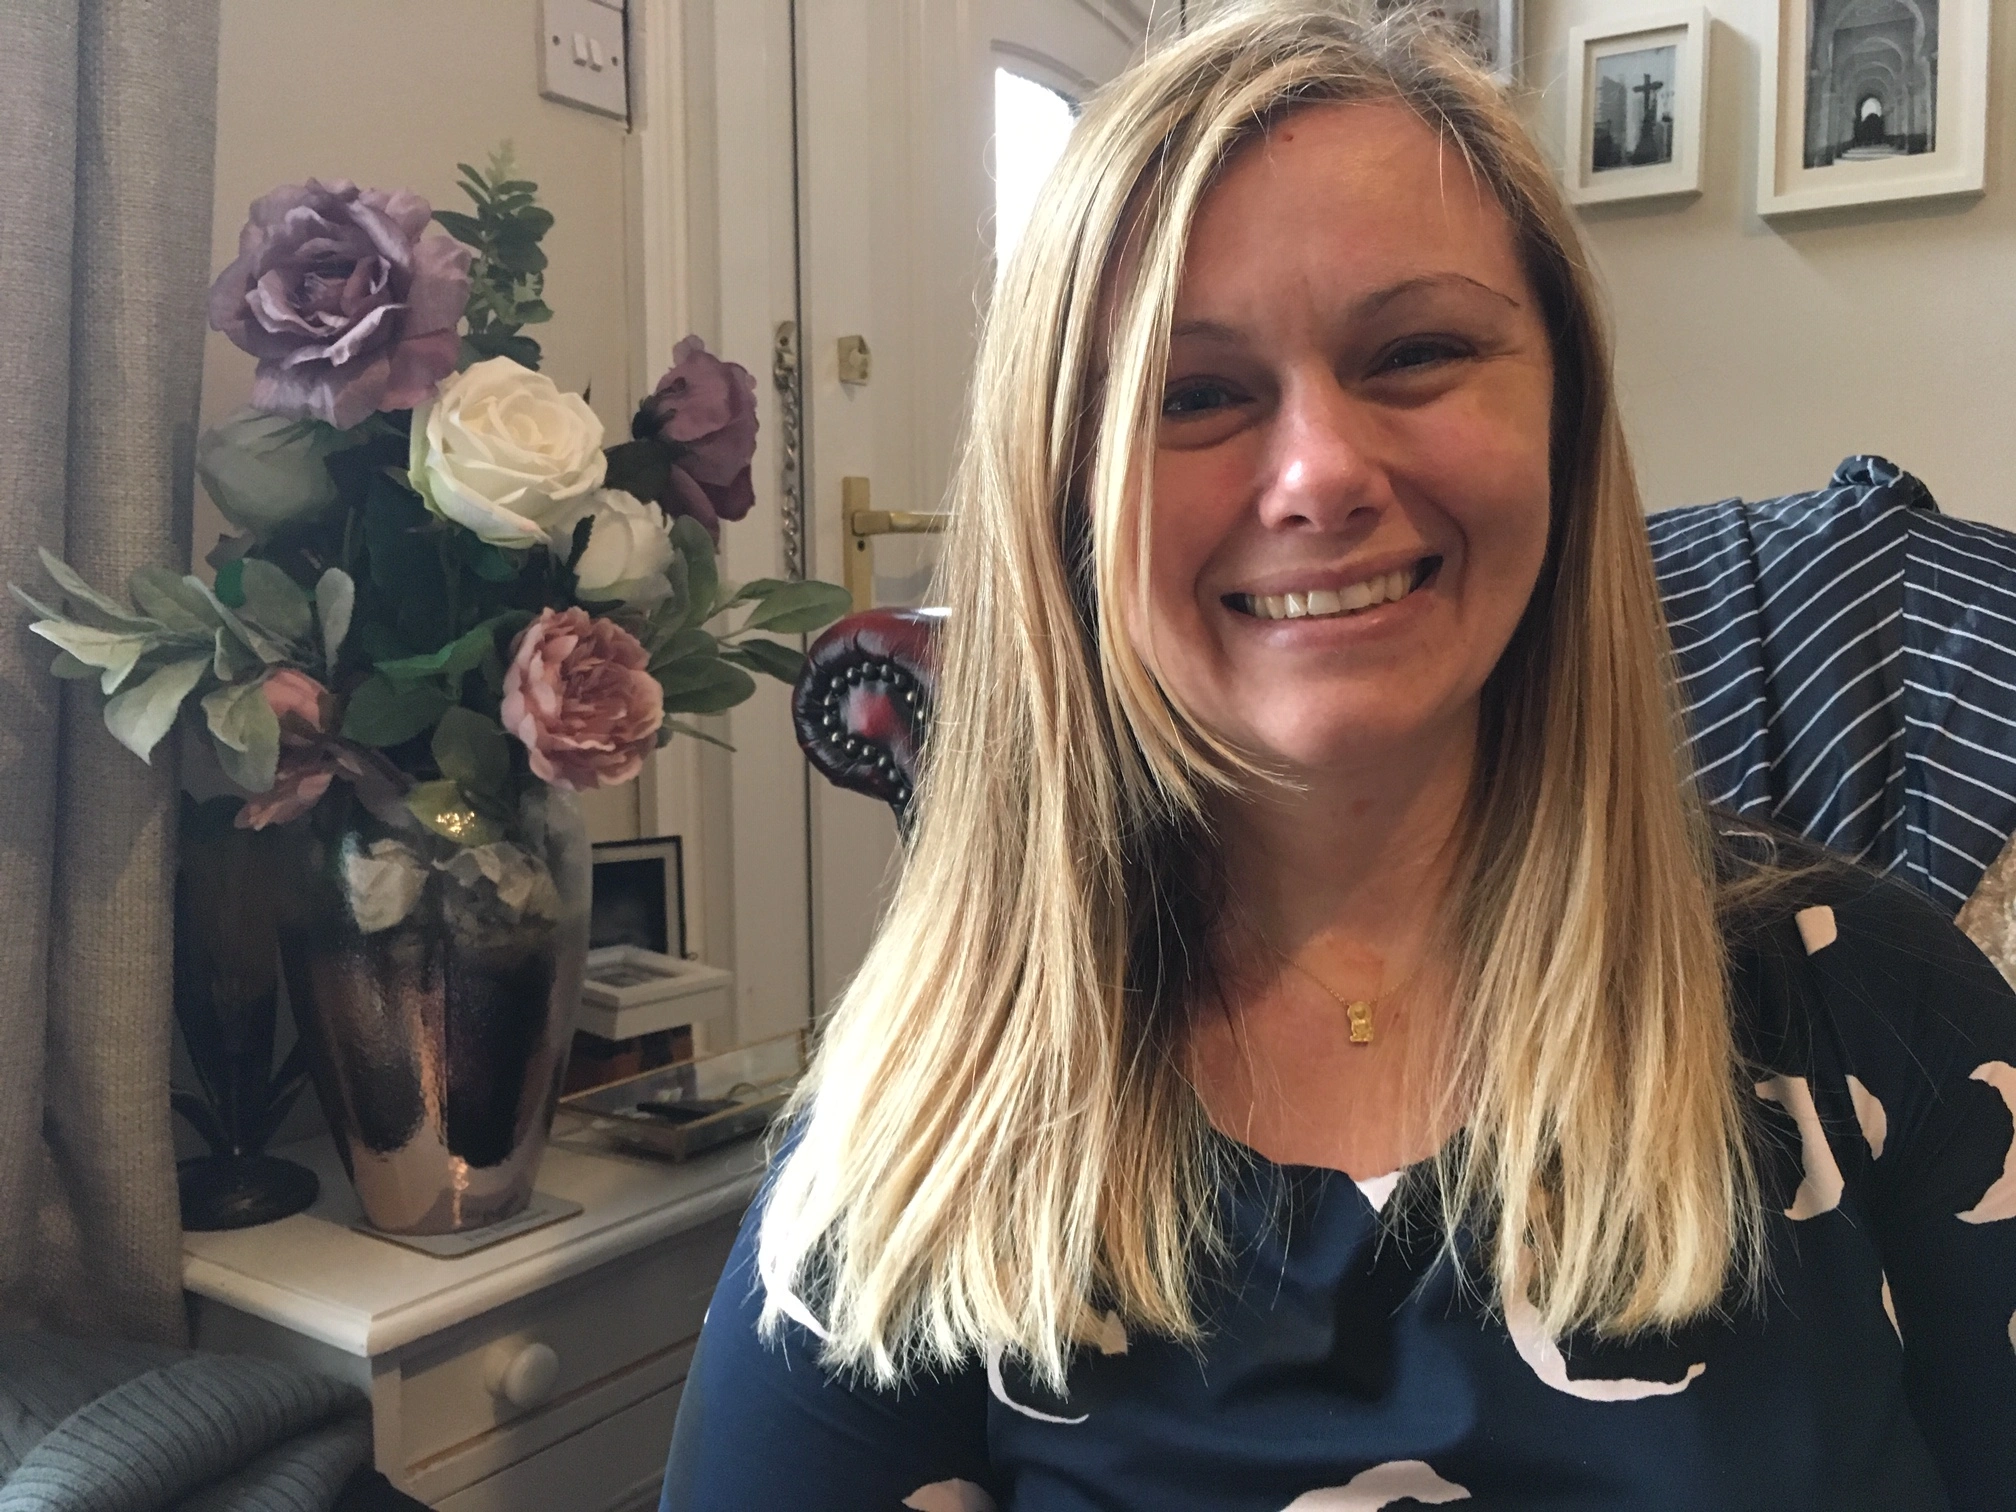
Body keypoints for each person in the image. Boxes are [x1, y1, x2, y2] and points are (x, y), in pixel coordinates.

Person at [661, 5, 2016, 1507]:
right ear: (1064, 497)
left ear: (1565, 420)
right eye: (1193, 394)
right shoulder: (920, 1143)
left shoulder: (1881, 1013)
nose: (1320, 476)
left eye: (1417, 353)